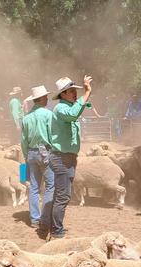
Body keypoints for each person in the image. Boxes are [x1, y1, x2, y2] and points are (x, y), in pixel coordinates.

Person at [42, 75, 93, 239]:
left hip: (48, 155)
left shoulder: (64, 108)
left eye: (74, 91)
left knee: (42, 189)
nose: (74, 94)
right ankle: (55, 231)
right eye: (71, 91)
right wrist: (87, 94)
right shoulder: (61, 109)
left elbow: (23, 141)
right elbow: (72, 115)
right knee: (60, 194)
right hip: (59, 157)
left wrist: (85, 101)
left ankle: (46, 224)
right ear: (63, 94)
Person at [21, 85, 55, 230]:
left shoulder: (26, 117)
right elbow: (53, 136)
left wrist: (26, 157)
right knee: (50, 186)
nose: (47, 98)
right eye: (46, 97)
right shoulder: (48, 114)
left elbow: (23, 141)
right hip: (45, 152)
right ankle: (45, 218)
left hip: (31, 153)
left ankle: (34, 219)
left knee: (34, 187)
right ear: (40, 99)